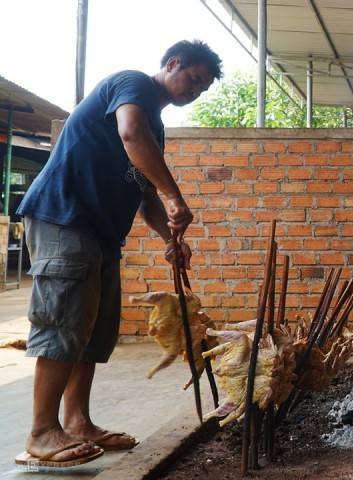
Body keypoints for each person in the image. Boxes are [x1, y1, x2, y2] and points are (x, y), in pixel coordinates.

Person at [15, 40, 221, 466]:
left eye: (202, 89)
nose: (194, 91)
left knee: (92, 330)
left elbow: (144, 197)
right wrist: (176, 197)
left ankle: (76, 421)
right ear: (172, 63)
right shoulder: (133, 86)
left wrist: (171, 237)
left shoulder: (156, 127)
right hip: (64, 217)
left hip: (101, 233)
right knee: (64, 321)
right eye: (194, 80)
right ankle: (41, 431)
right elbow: (129, 134)